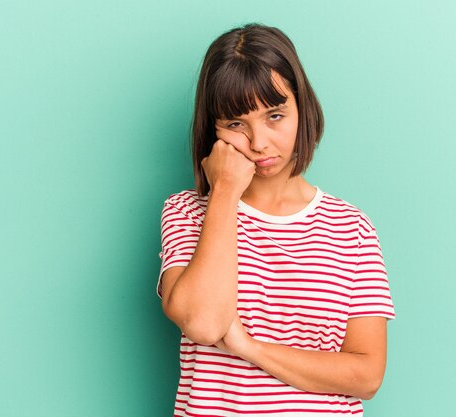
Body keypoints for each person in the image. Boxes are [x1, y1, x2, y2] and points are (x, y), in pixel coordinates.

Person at [157, 22, 395, 416]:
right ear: (213, 129)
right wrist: (226, 193)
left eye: (275, 116)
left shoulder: (352, 228)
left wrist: (248, 347)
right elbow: (202, 323)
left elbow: (366, 375)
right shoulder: (186, 212)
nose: (259, 143)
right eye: (235, 124)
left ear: (302, 109)